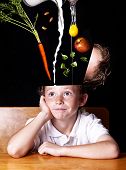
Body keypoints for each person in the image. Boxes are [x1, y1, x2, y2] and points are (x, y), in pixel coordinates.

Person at [7, 85, 119, 159]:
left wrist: (61, 150)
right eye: (51, 94)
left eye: (67, 93)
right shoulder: (39, 124)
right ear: (44, 100)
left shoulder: (88, 122)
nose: (58, 101)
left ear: (82, 99)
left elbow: (112, 149)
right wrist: (43, 115)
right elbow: (14, 150)